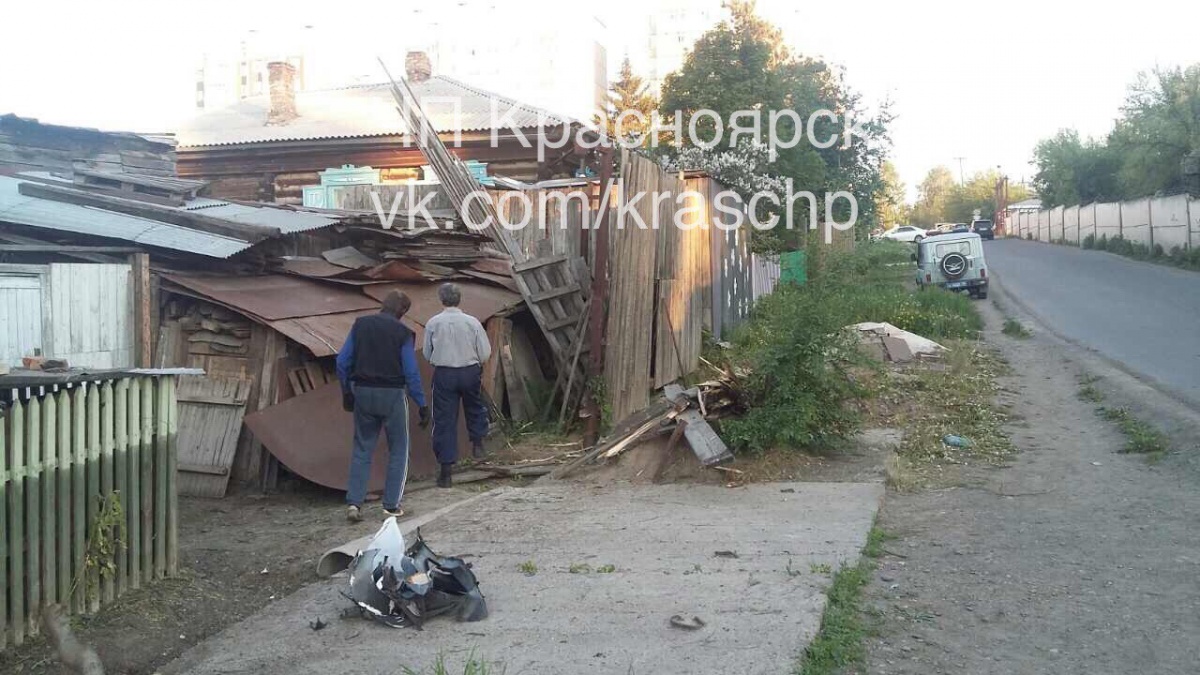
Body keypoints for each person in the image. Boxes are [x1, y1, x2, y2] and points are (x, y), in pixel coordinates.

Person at [336, 291, 430, 522]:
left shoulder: (361, 325)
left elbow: (342, 361)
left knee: (362, 448)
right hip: (392, 395)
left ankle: (354, 504)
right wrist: (422, 402)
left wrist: (347, 391)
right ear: (402, 312)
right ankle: (391, 506)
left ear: (382, 304)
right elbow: (410, 371)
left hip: (363, 392)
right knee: (399, 449)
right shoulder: (403, 333)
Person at [423, 282, 492, 488]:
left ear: (441, 299)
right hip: (470, 371)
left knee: (444, 420)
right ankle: (478, 443)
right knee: (475, 406)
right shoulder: (472, 322)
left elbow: (427, 353)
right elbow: (485, 352)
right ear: (459, 299)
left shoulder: (433, 323)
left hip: (445, 373)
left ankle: (446, 472)